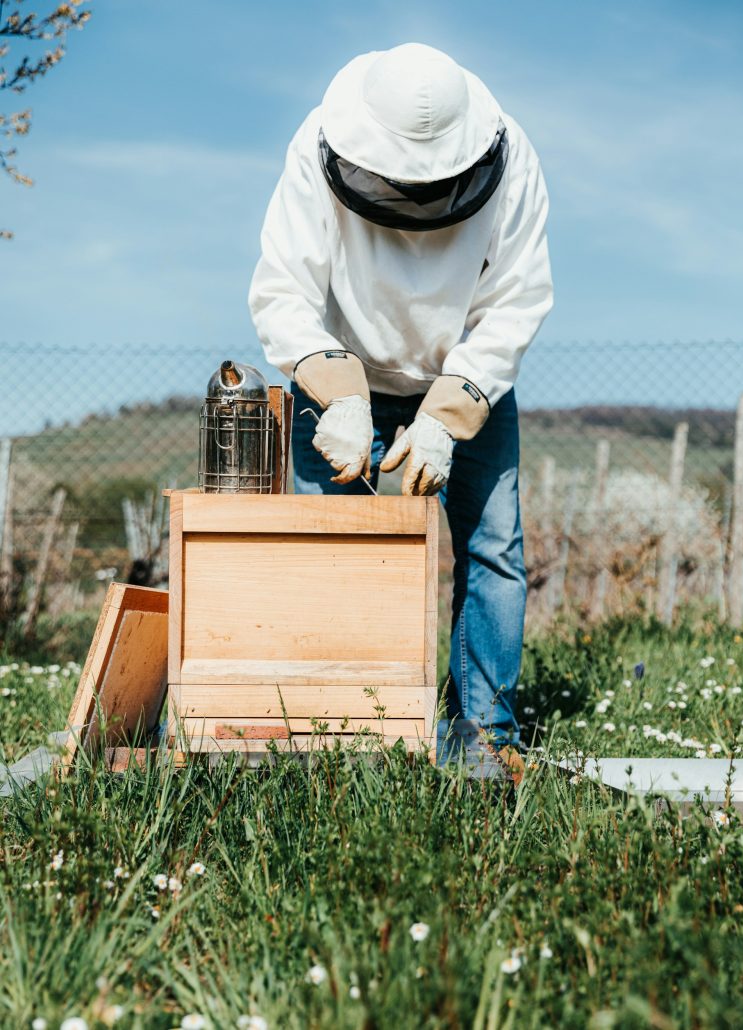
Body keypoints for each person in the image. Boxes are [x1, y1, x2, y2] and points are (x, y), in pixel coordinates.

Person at [249, 43, 553, 772]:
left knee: (493, 547)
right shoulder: (313, 145)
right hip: (342, 376)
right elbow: (283, 289)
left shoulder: (514, 162)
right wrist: (340, 395)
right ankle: (333, 727)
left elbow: (516, 302)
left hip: (462, 378)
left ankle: (484, 735)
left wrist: (447, 417)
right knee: (325, 546)